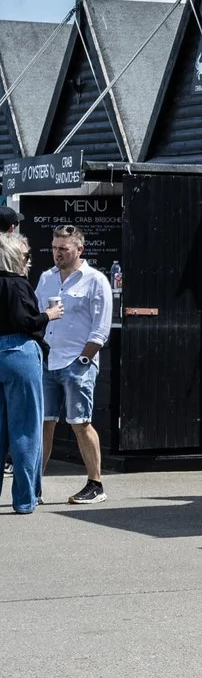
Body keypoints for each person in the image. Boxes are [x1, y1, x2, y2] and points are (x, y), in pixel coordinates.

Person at [35, 226, 112, 504]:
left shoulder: (95, 280)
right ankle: (34, 485)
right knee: (43, 424)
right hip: (48, 360)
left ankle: (95, 483)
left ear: (79, 249)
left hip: (77, 361)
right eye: (55, 247)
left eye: (63, 249)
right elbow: (37, 314)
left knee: (80, 423)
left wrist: (83, 360)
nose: (57, 253)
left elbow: (100, 329)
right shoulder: (46, 278)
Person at [0, 213, 43, 513]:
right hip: (18, 352)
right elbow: (26, 321)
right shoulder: (18, 285)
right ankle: (25, 498)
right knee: (26, 429)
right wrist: (48, 317)